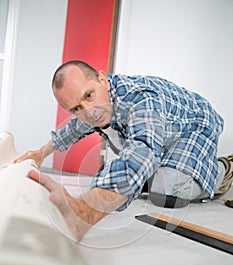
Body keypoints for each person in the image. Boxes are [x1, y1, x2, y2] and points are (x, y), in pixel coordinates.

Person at [14, 60, 233, 241]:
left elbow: (143, 151)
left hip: (194, 123)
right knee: (132, 176)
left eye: (88, 96)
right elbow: (71, 130)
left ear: (102, 80)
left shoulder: (141, 99)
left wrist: (87, 211)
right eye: (76, 108)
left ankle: (224, 169)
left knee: (169, 191)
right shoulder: (92, 107)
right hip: (165, 130)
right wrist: (39, 154)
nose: (89, 112)